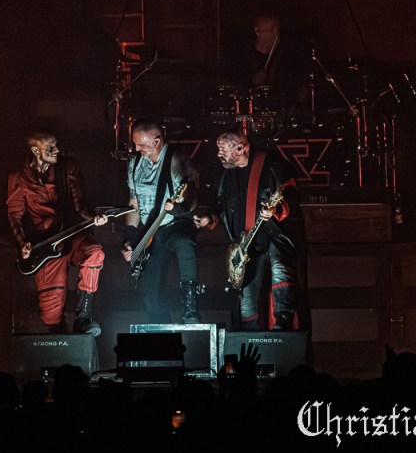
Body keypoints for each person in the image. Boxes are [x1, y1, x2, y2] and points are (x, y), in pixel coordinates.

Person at [194, 128, 301, 330]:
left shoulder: (272, 163)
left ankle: (284, 325)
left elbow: (291, 194)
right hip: (245, 244)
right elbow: (219, 207)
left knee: (280, 270)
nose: (218, 154)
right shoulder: (223, 176)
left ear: (240, 148)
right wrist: (209, 218)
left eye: (223, 149)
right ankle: (249, 334)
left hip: (274, 235)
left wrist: (275, 209)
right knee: (247, 289)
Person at [7, 129, 108, 334]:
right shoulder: (18, 177)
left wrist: (93, 216)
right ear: (35, 150)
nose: (57, 150)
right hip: (46, 245)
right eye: (50, 147)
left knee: (95, 252)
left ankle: (83, 318)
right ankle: (60, 342)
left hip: (73, 234)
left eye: (56, 145)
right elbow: (14, 215)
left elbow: (81, 205)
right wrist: (23, 242)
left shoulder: (68, 166)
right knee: (50, 315)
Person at [121, 119, 202, 324]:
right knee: (149, 294)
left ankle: (190, 305)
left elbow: (191, 196)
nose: (136, 149)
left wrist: (177, 209)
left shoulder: (177, 159)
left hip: (175, 223)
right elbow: (134, 203)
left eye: (141, 144)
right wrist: (129, 238)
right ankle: (162, 331)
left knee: (184, 243)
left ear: (157, 142)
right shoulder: (134, 164)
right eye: (135, 144)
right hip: (150, 232)